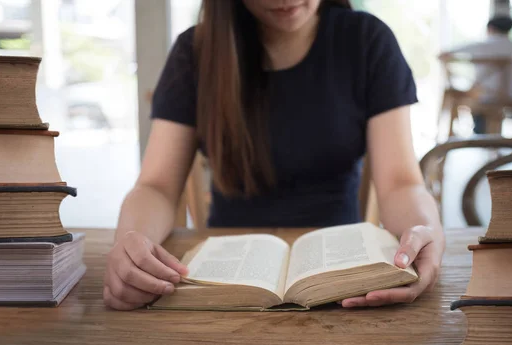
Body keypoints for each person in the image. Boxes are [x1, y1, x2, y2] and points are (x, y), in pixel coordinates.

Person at [103, 0, 445, 311]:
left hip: (342, 277)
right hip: (227, 280)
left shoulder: (368, 40)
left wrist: (424, 229)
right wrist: (132, 245)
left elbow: (401, 183)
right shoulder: (195, 51)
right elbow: (156, 186)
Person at [441, 15, 512, 134]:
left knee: (476, 98)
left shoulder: (477, 46)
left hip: (486, 96)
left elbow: (443, 55)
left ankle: (480, 136)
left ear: (490, 28)